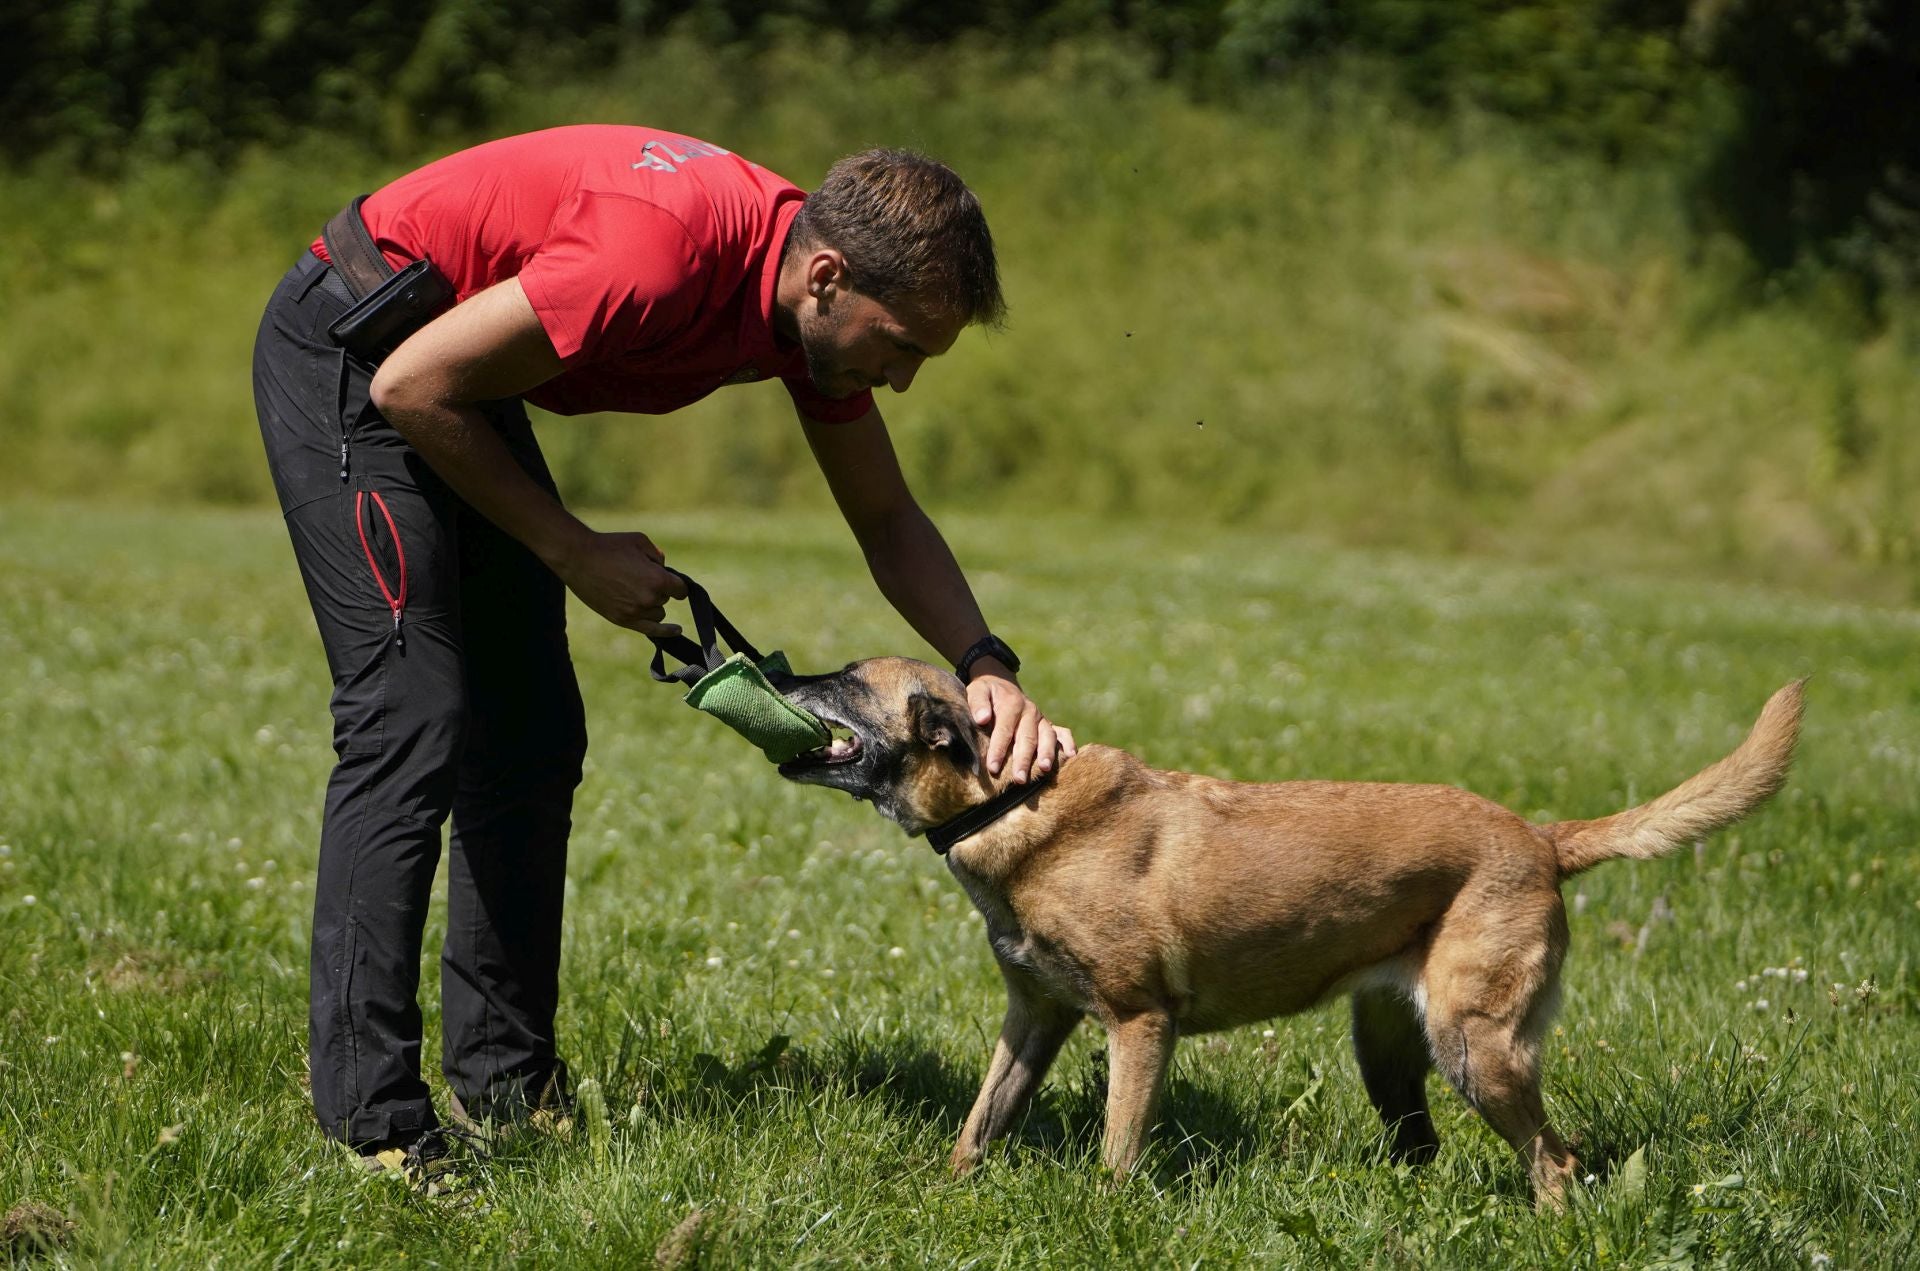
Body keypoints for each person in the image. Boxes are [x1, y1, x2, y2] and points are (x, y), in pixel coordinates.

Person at [250, 124, 1074, 1171]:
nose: (901, 379)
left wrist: (986, 660)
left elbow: (886, 516)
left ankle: (506, 1081)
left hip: (455, 372)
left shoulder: (807, 305)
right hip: (358, 349)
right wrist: (571, 548)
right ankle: (371, 1119)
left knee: (532, 733)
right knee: (411, 715)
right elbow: (412, 387)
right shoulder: (659, 256)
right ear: (827, 276)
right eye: (901, 344)